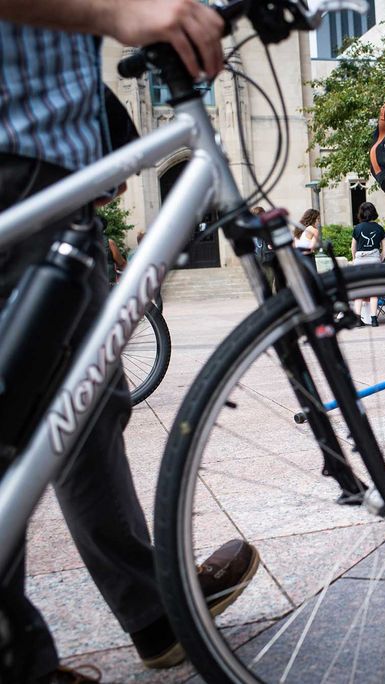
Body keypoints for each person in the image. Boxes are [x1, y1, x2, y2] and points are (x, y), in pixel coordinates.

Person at [0, 3, 257, 682]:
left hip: (53, 161)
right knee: (20, 412)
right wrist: (121, 13)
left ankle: (150, 613)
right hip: (15, 153)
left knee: (83, 409)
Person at [350, 201, 385, 326]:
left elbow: (353, 248)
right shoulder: (379, 228)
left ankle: (357, 319)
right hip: (374, 260)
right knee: (374, 291)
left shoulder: (357, 228)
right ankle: (374, 319)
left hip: (360, 261)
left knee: (360, 291)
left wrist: (354, 259)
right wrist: (379, 259)